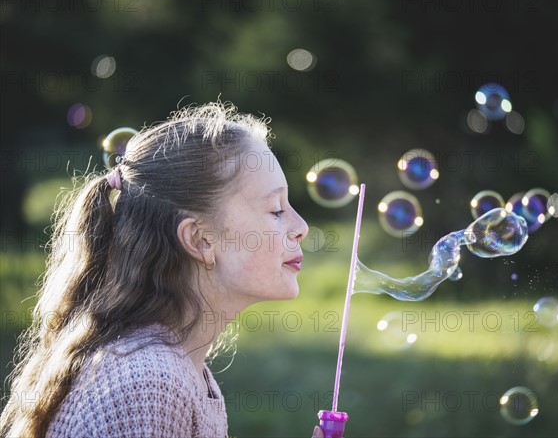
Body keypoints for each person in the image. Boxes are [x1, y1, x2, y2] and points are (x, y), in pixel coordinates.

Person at [0, 101, 328, 437]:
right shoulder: (150, 386)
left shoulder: (179, 371)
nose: (300, 226)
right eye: (275, 210)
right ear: (200, 240)